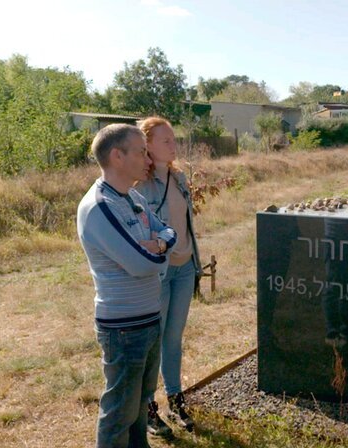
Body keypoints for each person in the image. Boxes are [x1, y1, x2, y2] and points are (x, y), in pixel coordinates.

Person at [77, 124, 176, 447]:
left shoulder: (132, 198)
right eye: (140, 151)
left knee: (138, 406)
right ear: (117, 156)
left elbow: (169, 233)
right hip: (123, 328)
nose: (148, 159)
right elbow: (139, 263)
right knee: (119, 411)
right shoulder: (99, 207)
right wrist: (159, 252)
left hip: (147, 319)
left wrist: (158, 245)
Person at [135, 117, 200, 436]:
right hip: (159, 273)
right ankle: (148, 406)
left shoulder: (180, 177)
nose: (174, 145)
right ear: (146, 145)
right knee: (154, 341)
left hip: (185, 268)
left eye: (174, 139)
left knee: (174, 339)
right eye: (166, 141)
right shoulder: (139, 186)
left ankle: (175, 399)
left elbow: (187, 224)